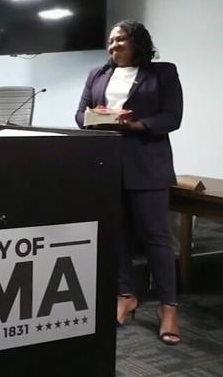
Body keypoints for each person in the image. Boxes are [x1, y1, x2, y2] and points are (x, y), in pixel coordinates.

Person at [75, 19, 183, 346]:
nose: (113, 46)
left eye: (120, 40)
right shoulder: (97, 74)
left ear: (138, 42)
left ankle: (169, 308)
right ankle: (126, 295)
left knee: (156, 237)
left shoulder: (162, 73)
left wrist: (137, 124)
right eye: (110, 41)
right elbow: (80, 115)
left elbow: (172, 117)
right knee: (116, 233)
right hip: (108, 163)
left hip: (147, 164)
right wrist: (99, 116)